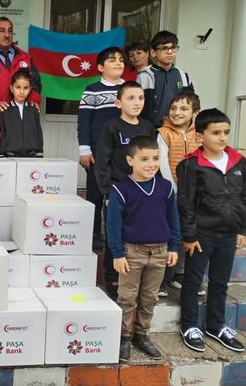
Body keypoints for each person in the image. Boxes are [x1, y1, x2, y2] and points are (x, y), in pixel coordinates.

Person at [177, 108, 245, 353]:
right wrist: (189, 235)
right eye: (216, 133)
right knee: (193, 280)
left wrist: (242, 229)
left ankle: (215, 325)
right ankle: (189, 326)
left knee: (220, 282)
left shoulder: (239, 161)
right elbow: (185, 203)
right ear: (200, 136)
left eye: (226, 132)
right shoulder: (190, 165)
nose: (222, 137)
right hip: (201, 235)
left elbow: (244, 197)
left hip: (229, 234)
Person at [106, 136, 180, 361]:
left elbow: (173, 219)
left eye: (156, 159)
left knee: (149, 297)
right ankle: (124, 336)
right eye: (144, 159)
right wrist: (117, 253)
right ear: (130, 160)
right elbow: (113, 225)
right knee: (127, 297)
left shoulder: (166, 187)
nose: (151, 164)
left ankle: (141, 334)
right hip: (132, 252)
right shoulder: (121, 189)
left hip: (159, 252)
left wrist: (174, 246)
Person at [94, 81, 156, 299]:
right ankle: (112, 279)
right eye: (131, 98)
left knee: (137, 234)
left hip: (142, 192)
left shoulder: (148, 127)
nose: (137, 102)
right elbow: (102, 161)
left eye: (140, 98)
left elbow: (152, 160)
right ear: (118, 103)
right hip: (118, 191)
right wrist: (107, 191)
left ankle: (135, 278)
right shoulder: (111, 127)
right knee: (115, 234)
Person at [77, 47, 125, 250]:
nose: (118, 63)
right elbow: (84, 122)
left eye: (121, 60)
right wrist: (85, 150)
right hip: (97, 153)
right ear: (100, 67)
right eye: (112, 60)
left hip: (122, 154)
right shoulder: (92, 90)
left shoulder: (129, 89)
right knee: (96, 195)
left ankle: (117, 235)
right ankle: (94, 234)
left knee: (120, 196)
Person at [156, 92, 201, 296]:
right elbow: (163, 163)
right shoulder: (164, 133)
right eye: (173, 108)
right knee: (171, 232)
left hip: (195, 194)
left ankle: (180, 274)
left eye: (184, 109)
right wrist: (174, 189)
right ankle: (162, 278)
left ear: (195, 113)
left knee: (189, 232)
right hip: (173, 192)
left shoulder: (199, 133)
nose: (177, 112)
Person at [137, 30, 194, 127]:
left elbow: (192, 103)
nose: (170, 52)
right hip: (151, 129)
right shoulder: (144, 76)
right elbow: (137, 106)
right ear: (153, 52)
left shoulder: (182, 75)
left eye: (173, 48)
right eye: (164, 48)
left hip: (178, 128)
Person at [0, 68, 43, 157]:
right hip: (9, 156)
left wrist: (39, 153)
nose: (22, 92)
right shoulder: (4, 110)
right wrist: (1, 155)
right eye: (18, 87)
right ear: (11, 88)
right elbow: (1, 134)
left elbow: (38, 133)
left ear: (30, 89)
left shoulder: (33, 110)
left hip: (31, 156)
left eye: (25, 88)